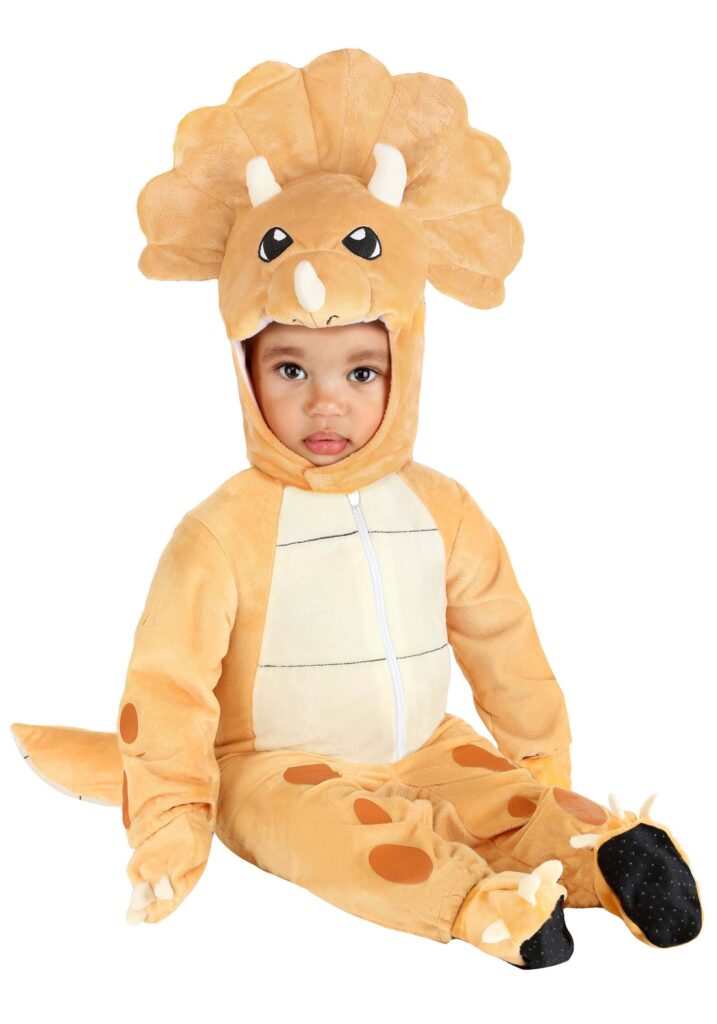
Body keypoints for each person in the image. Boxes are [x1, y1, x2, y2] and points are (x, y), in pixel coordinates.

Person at [11, 48, 703, 970]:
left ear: (404, 363)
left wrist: (539, 772)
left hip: (428, 746)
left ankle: (597, 859)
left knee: (506, 799)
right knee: (332, 834)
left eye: (361, 371)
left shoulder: (442, 508)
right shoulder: (219, 532)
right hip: (275, 767)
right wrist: (172, 822)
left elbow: (504, 646)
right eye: (291, 368)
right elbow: (167, 689)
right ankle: (477, 905)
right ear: (245, 369)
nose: (325, 403)